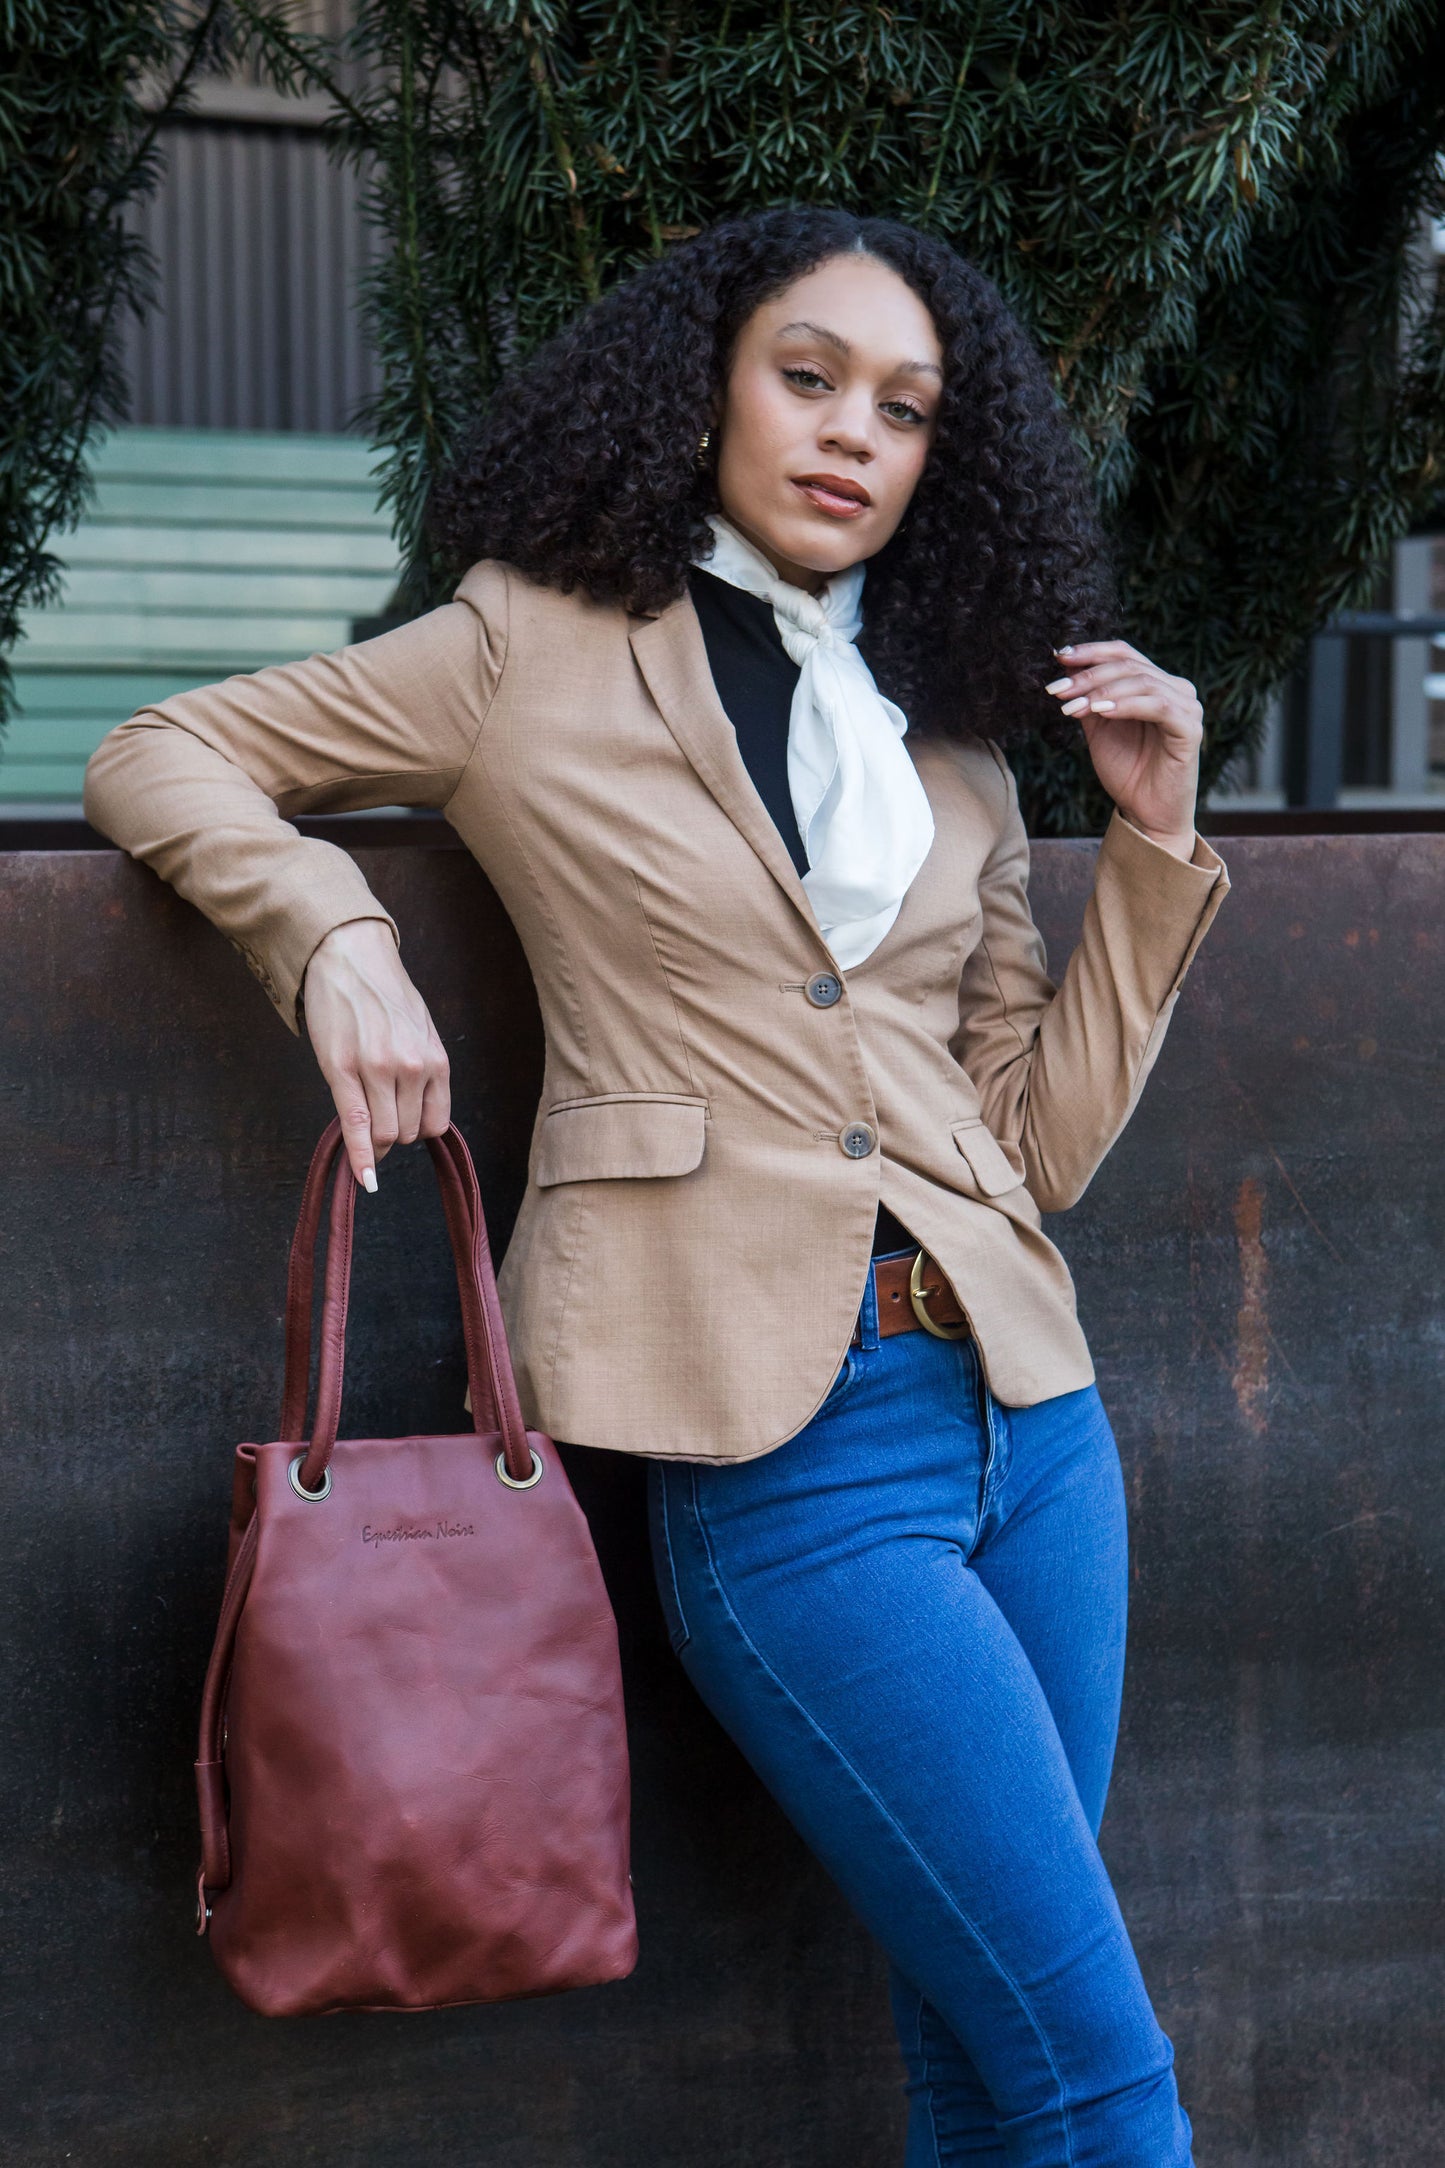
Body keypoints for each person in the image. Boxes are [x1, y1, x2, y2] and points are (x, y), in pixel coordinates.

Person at [83, 205, 1227, 2165]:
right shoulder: (520, 647)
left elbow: (1029, 1145)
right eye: (808, 376)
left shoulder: (953, 747)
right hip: (789, 1450)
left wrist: (1151, 844)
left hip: (1035, 1424)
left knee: (990, 2059)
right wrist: (333, 935)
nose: (852, 431)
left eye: (904, 408)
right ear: (703, 385)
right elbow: (161, 750)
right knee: (1100, 2078)